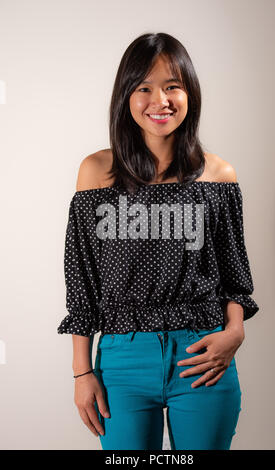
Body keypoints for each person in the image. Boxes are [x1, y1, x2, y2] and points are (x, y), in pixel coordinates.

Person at [57, 32, 259, 450]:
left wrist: (234, 331)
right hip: (122, 359)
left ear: (190, 92)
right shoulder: (96, 172)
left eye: (172, 86)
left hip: (203, 353)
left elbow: (235, 273)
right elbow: (82, 283)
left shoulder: (219, 175)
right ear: (125, 96)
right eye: (144, 88)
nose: (159, 100)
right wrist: (82, 372)